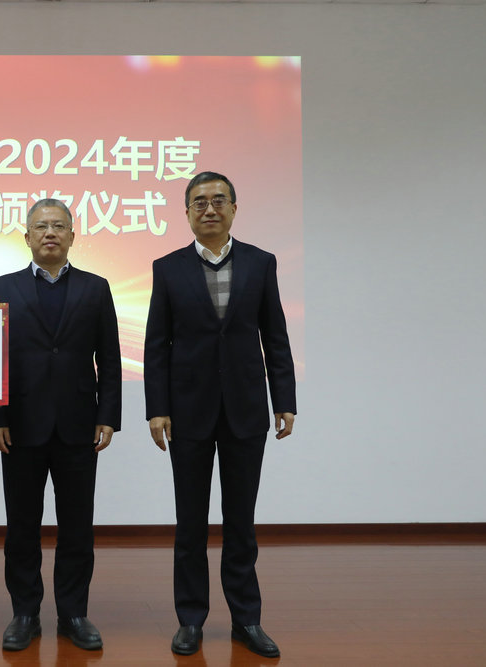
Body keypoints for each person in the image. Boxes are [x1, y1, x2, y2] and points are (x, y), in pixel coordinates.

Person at [144, 172, 296, 659]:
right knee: (190, 524)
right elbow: (156, 346)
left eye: (218, 201)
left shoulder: (260, 263)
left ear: (233, 208)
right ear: (187, 212)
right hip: (187, 413)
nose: (209, 209)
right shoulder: (167, 268)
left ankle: (246, 619)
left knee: (241, 522)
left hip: (246, 411)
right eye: (199, 202)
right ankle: (190, 620)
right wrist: (156, 409)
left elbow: (275, 336)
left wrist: (284, 400)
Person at [0, 198, 121, 652]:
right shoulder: (2, 287)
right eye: (41, 227)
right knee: (21, 526)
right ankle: (25, 613)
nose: (50, 233)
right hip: (19, 427)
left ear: (73, 236)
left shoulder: (96, 288)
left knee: (78, 527)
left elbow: (110, 359)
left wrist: (107, 416)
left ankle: (74, 613)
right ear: (27, 237)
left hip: (79, 426)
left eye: (59, 226)